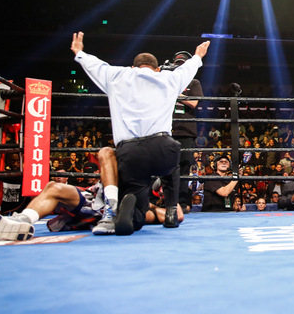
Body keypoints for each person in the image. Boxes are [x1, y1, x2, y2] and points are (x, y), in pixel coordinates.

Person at [71, 31, 209, 234]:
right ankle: (171, 210)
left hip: (130, 151)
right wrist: (198, 55)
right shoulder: (168, 78)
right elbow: (187, 70)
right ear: (157, 68)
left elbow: (95, 66)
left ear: (133, 67)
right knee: (173, 163)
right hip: (162, 148)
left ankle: (133, 213)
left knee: (136, 197)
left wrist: (79, 52)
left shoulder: (117, 75)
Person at [0, 147, 184, 241]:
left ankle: (117, 215)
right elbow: (108, 155)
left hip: (123, 211)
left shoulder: (151, 197)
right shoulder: (122, 162)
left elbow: (176, 215)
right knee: (53, 187)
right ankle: (22, 221)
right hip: (96, 198)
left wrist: (159, 205)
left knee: (138, 212)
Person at [169, 51, 204, 212]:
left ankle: (182, 204)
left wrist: (175, 92)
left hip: (186, 131)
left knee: (184, 168)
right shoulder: (166, 80)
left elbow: (194, 103)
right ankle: (167, 202)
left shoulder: (194, 82)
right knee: (166, 167)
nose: (179, 67)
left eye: (182, 64)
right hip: (166, 129)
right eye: (177, 64)